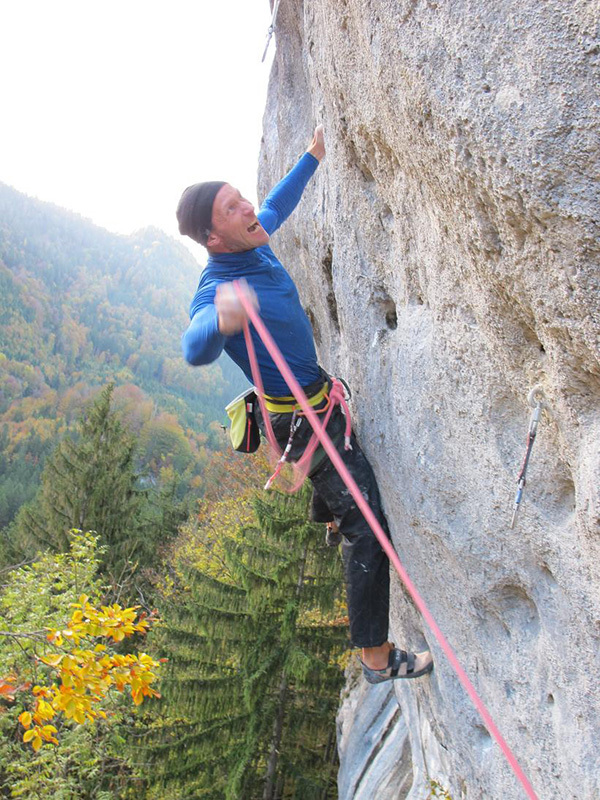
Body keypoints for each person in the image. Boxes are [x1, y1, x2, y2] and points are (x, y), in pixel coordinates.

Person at [177, 125, 433, 683]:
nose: (248, 207)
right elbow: (194, 347)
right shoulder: (217, 282)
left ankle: (330, 514)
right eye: (232, 207)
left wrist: (313, 155)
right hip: (302, 422)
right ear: (214, 237)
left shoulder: (254, 239)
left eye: (239, 197)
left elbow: (275, 203)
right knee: (368, 526)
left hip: (317, 400)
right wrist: (222, 316)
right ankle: (375, 657)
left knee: (345, 501)